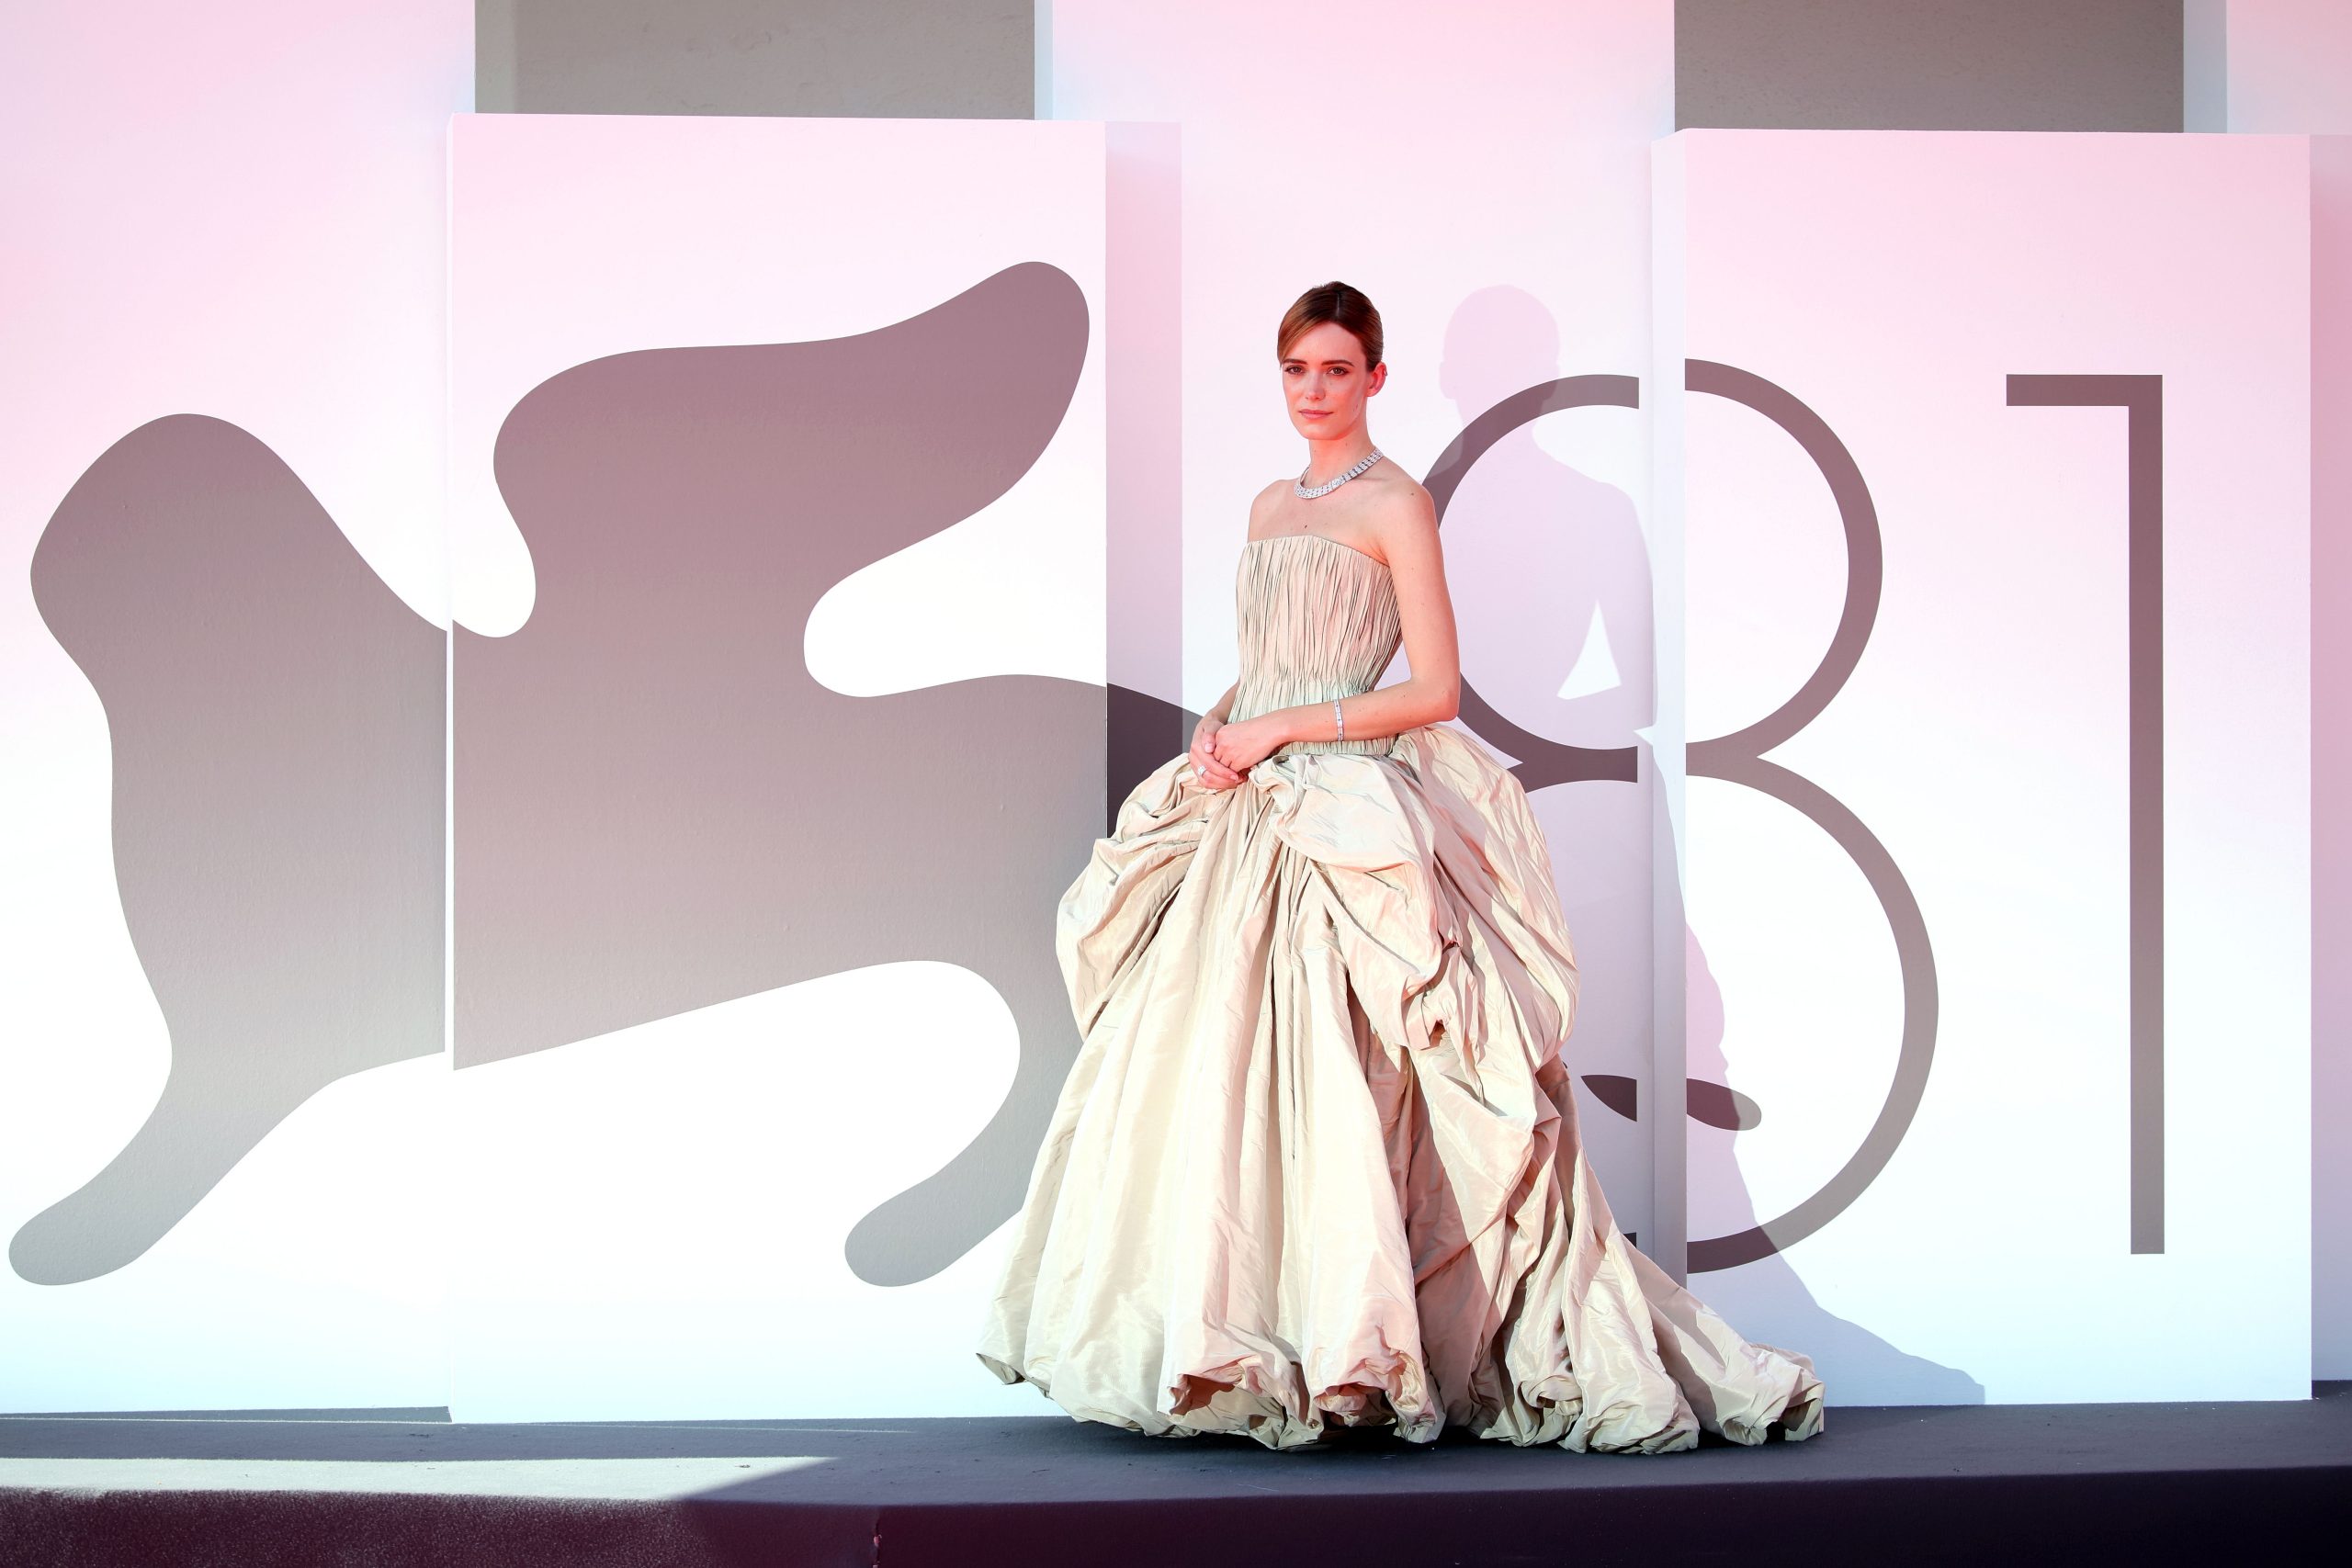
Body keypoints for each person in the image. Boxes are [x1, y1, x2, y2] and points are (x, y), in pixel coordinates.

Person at [975, 282, 1823, 1453]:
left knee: (1357, 1065)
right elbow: (1266, 661)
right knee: (1225, 1070)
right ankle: (1250, 1338)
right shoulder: (1270, 503)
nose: (1312, 390)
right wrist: (1225, 731)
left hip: (1345, 799)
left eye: (1334, 369)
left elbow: (1433, 691)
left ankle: (1366, 1355)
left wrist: (1281, 732)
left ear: (1378, 377)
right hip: (1253, 803)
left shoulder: (1398, 503)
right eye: (1294, 371)